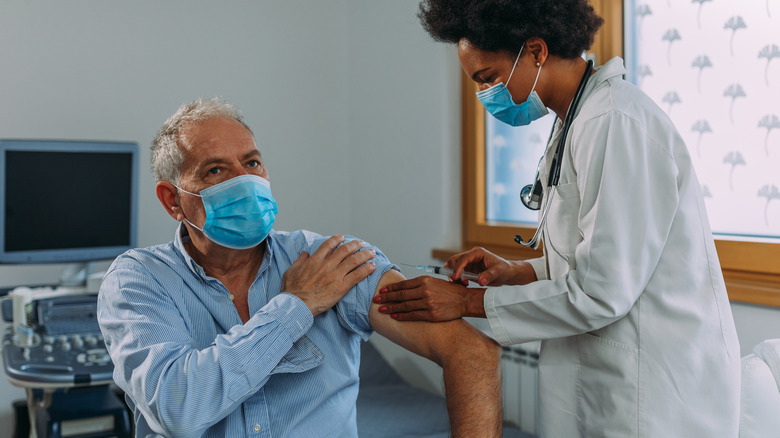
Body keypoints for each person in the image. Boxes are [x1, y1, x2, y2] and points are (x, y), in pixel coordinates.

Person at [376, 1, 741, 437]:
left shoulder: (616, 122)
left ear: (535, 51)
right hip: (611, 382)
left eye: (488, 78)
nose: (484, 97)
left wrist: (467, 303)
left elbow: (603, 291)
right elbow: (589, 260)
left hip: (656, 395)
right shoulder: (576, 121)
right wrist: (517, 272)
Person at [96, 97, 502, 438]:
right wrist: (297, 304)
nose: (246, 181)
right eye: (216, 170)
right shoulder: (139, 280)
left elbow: (471, 352)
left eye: (252, 163)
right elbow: (178, 406)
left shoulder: (331, 262)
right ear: (172, 200)